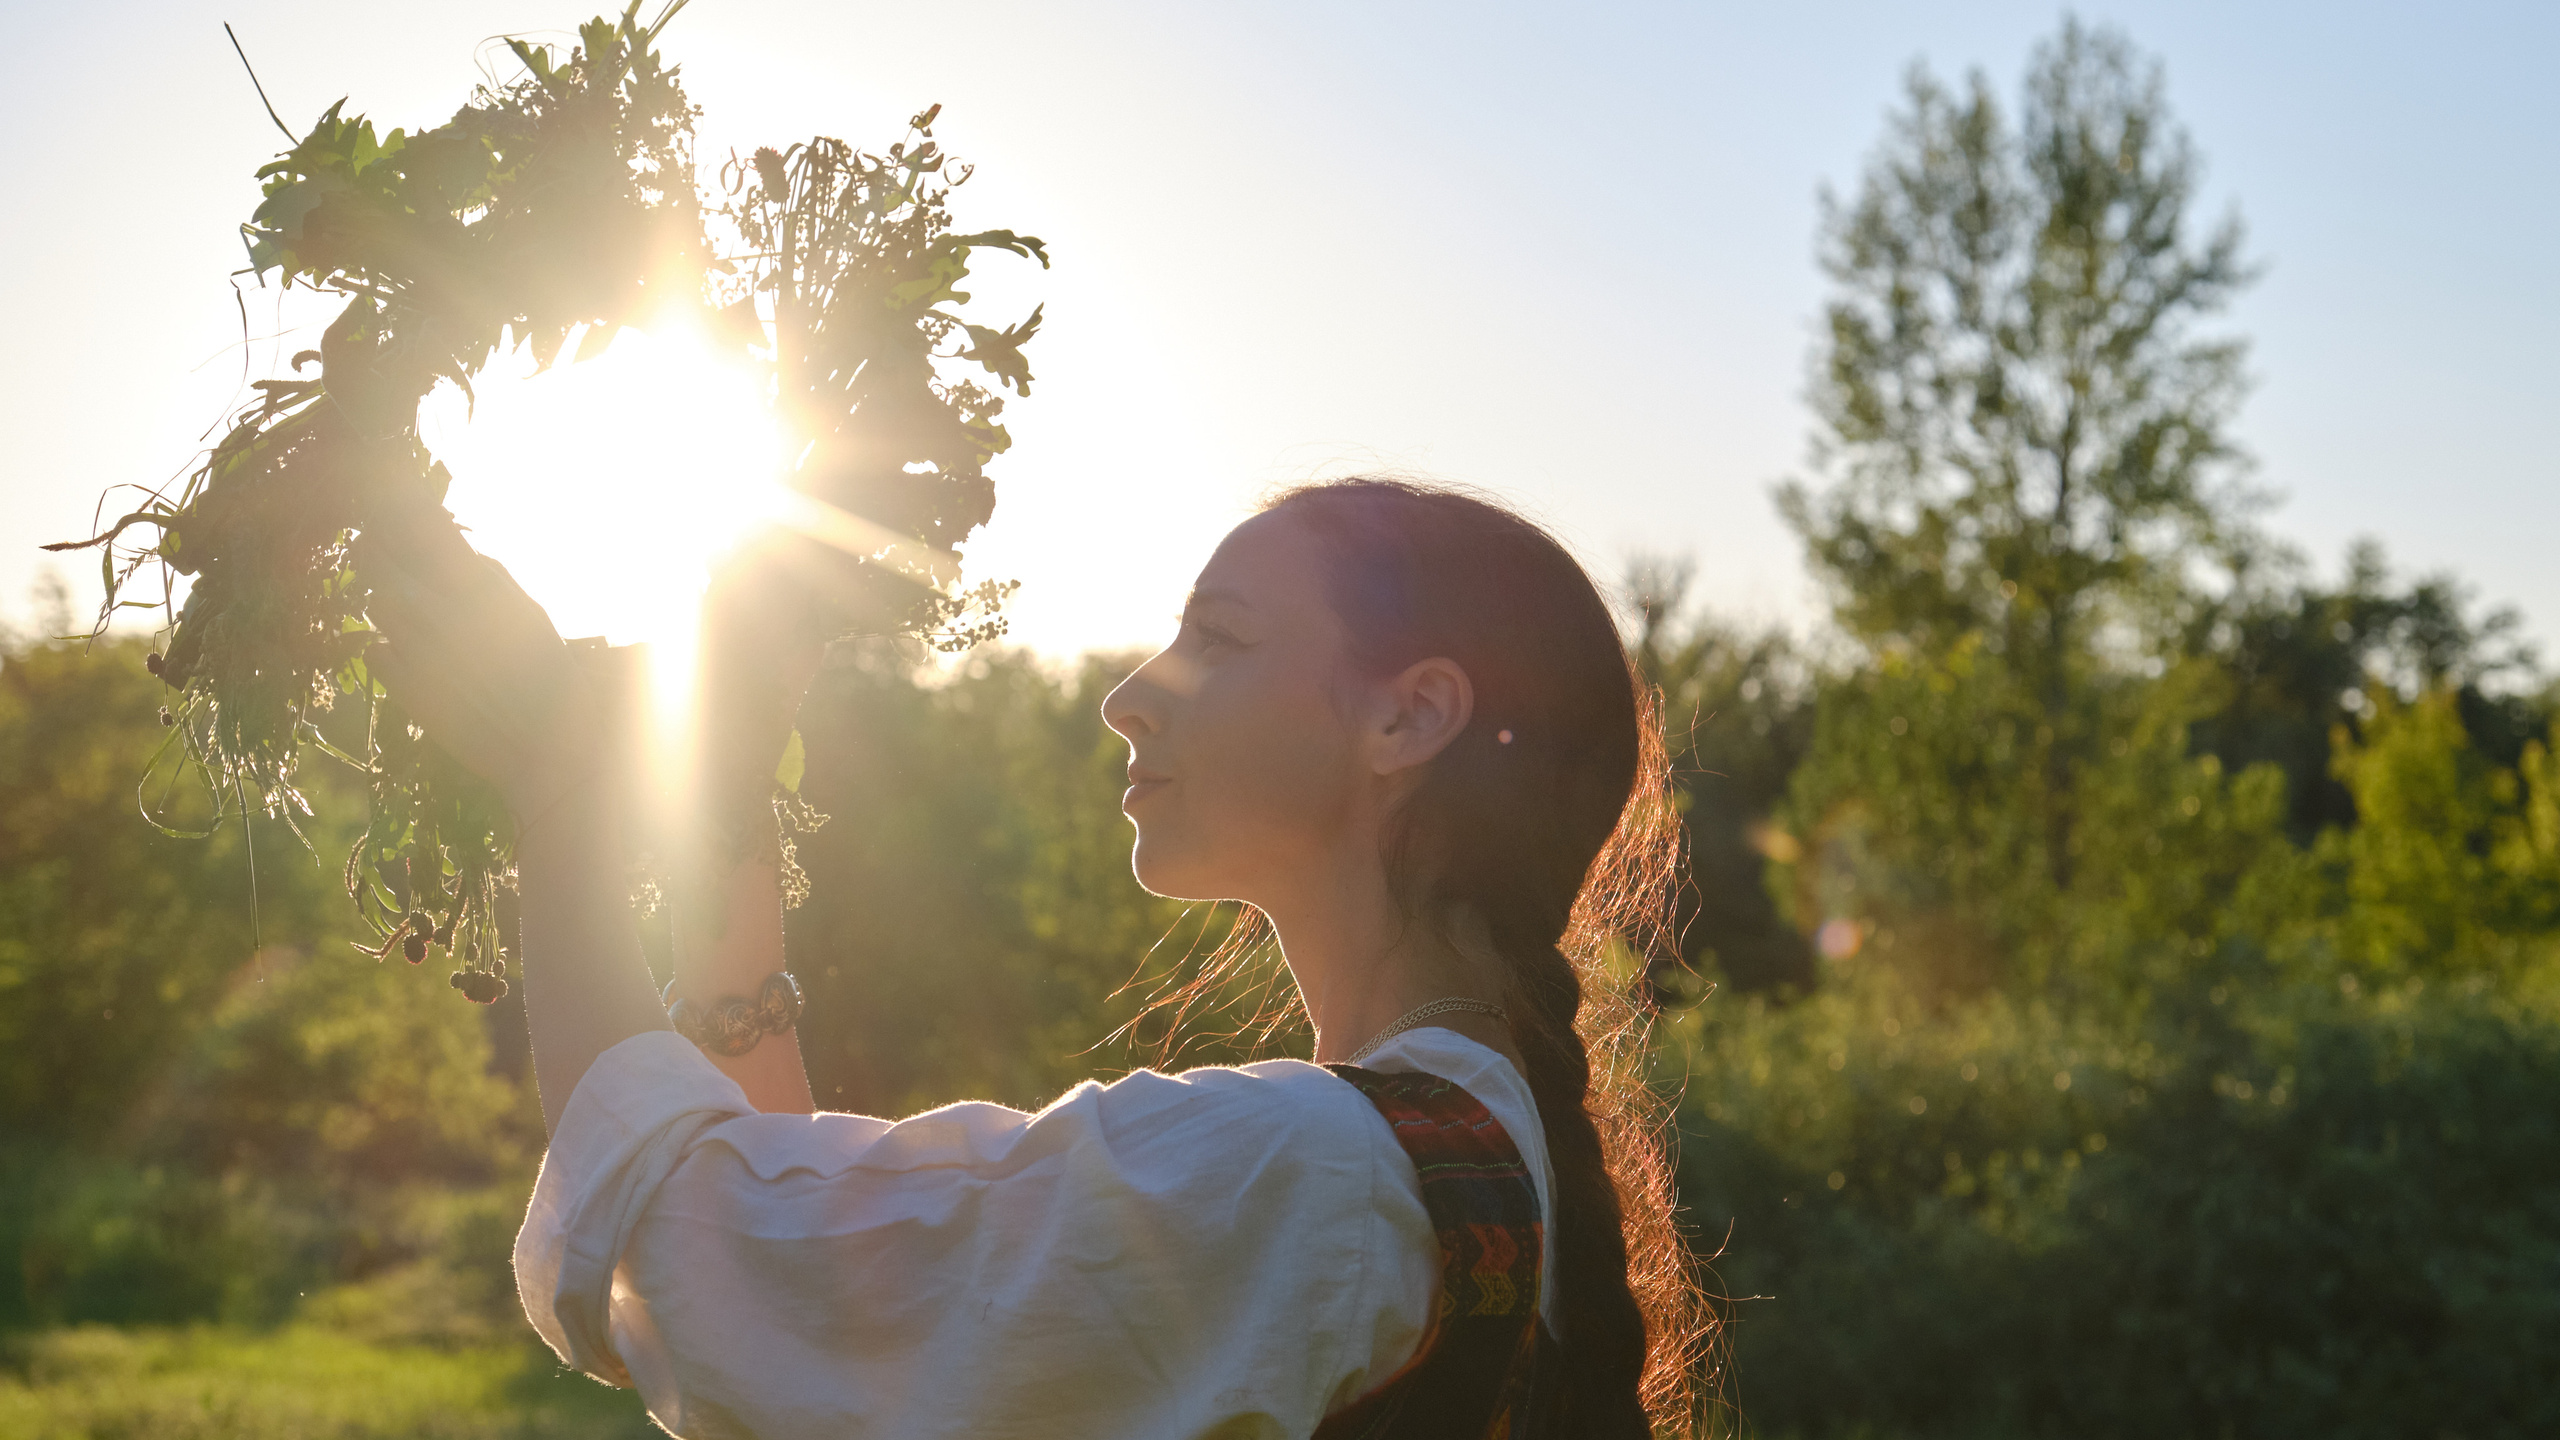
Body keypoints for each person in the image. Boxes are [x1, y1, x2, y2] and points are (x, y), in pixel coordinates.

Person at [366, 477, 1706, 1438]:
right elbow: (851, 1334)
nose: (1129, 696)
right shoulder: (1445, 1156)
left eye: (1218, 636)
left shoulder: (1321, 1176)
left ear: (1409, 717)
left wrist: (556, 795)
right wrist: (729, 818)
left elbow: (693, 1243)